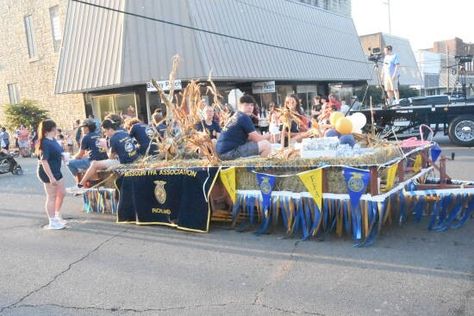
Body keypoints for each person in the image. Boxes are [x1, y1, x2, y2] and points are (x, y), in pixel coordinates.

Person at [77, 118, 139, 188]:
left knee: (94, 163)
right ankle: (90, 182)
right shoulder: (124, 133)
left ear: (110, 129)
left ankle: (81, 184)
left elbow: (110, 157)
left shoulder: (113, 138)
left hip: (124, 163)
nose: (105, 134)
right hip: (134, 159)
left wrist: (105, 146)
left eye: (105, 131)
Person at [216, 95, 271, 160]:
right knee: (266, 145)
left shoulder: (236, 116)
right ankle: (260, 168)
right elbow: (257, 139)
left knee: (256, 144)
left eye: (252, 105)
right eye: (246, 105)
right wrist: (268, 135)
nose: (250, 107)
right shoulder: (244, 117)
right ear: (240, 106)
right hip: (229, 153)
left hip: (221, 153)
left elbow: (250, 138)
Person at [35, 119, 67, 230]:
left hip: (56, 171)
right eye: (55, 127)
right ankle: (52, 221)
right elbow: (44, 161)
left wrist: (62, 156)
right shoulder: (44, 143)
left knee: (62, 192)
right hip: (47, 173)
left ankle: (57, 214)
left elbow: (58, 151)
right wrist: (51, 178)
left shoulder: (52, 139)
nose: (56, 129)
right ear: (51, 129)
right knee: (51, 196)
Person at [67, 118, 108, 183]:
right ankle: (90, 179)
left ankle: (77, 182)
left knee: (70, 163)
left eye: (82, 127)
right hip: (103, 160)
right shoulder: (98, 135)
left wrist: (71, 158)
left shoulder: (86, 137)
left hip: (93, 161)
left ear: (86, 128)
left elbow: (80, 155)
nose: (82, 129)